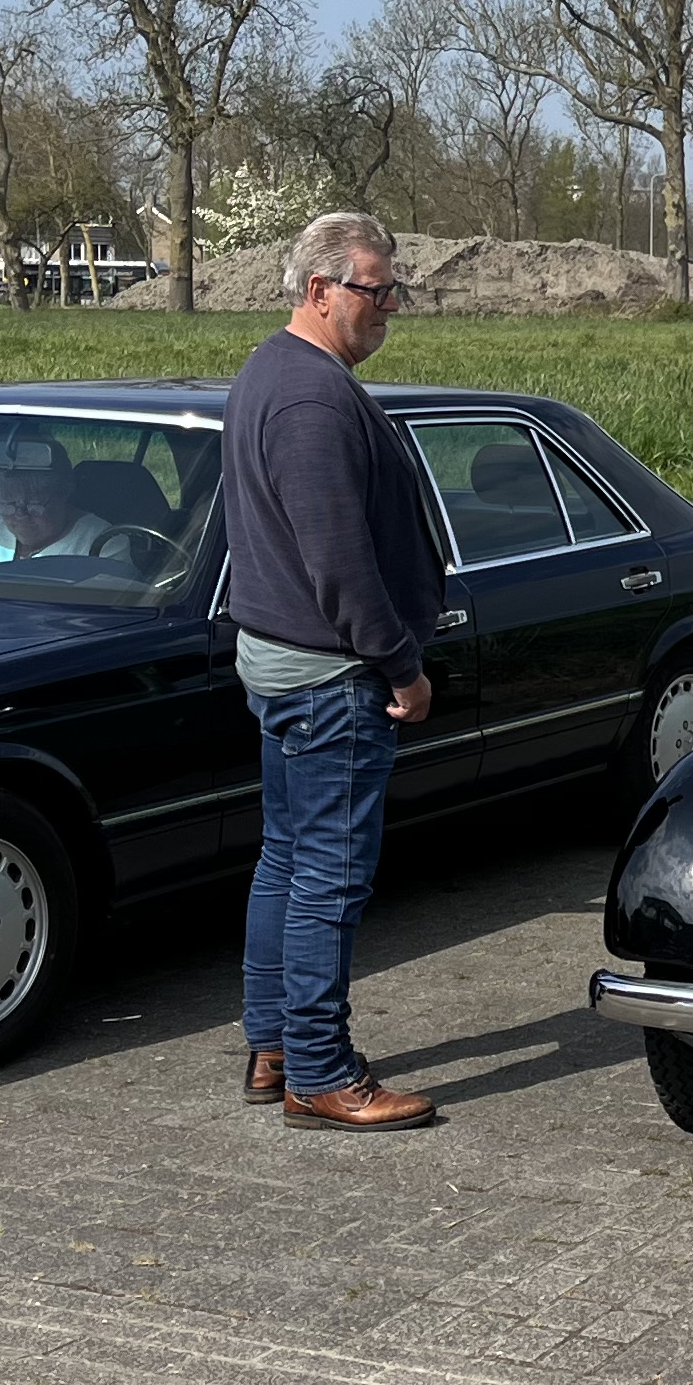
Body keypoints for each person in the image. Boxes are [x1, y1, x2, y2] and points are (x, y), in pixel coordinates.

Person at [226, 211, 451, 1132]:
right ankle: (320, 1071)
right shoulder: (311, 400)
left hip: (287, 666)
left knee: (287, 858)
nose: (389, 305)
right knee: (329, 876)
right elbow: (338, 561)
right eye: (375, 289)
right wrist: (401, 666)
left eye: (395, 289)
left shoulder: (273, 372)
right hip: (331, 679)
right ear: (320, 290)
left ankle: (274, 1046)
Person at [0, 437, 122, 565]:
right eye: (8, 503)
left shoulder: (104, 542)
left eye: (34, 505)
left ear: (63, 494)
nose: (20, 515)